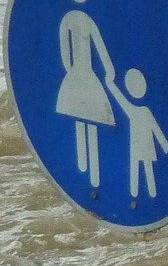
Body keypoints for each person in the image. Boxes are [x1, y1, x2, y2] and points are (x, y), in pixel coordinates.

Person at [55, 0, 117, 188]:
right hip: (87, 75)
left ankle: (86, 172)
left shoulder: (67, 18)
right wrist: (109, 72)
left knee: (81, 121)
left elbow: (65, 53)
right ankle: (94, 177)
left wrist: (72, 73)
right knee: (93, 121)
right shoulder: (86, 20)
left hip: (75, 77)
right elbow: (101, 48)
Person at [112, 69, 168, 200]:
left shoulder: (141, 111)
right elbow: (120, 100)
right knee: (139, 168)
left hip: (143, 145)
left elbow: (155, 128)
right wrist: (111, 85)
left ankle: (143, 194)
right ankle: (139, 195)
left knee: (141, 168)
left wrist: (163, 143)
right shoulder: (140, 110)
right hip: (139, 145)